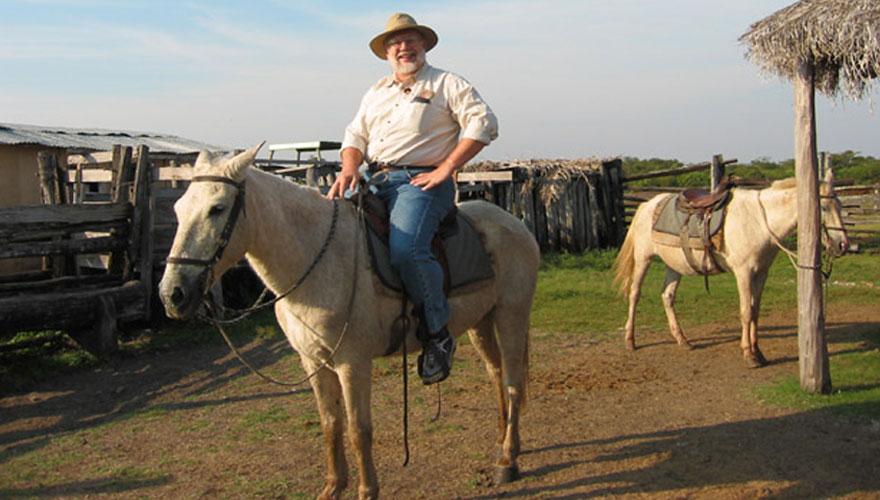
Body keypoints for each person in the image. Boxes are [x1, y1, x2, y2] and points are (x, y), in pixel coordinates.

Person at [326, 13, 498, 384]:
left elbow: (483, 123)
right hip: (374, 179)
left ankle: (438, 334)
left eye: (410, 40)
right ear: (387, 52)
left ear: (424, 45)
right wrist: (348, 168)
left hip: (420, 183)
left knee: (407, 249)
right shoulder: (376, 92)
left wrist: (445, 168)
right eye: (395, 43)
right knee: (330, 229)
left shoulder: (446, 83)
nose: (403, 47)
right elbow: (354, 136)